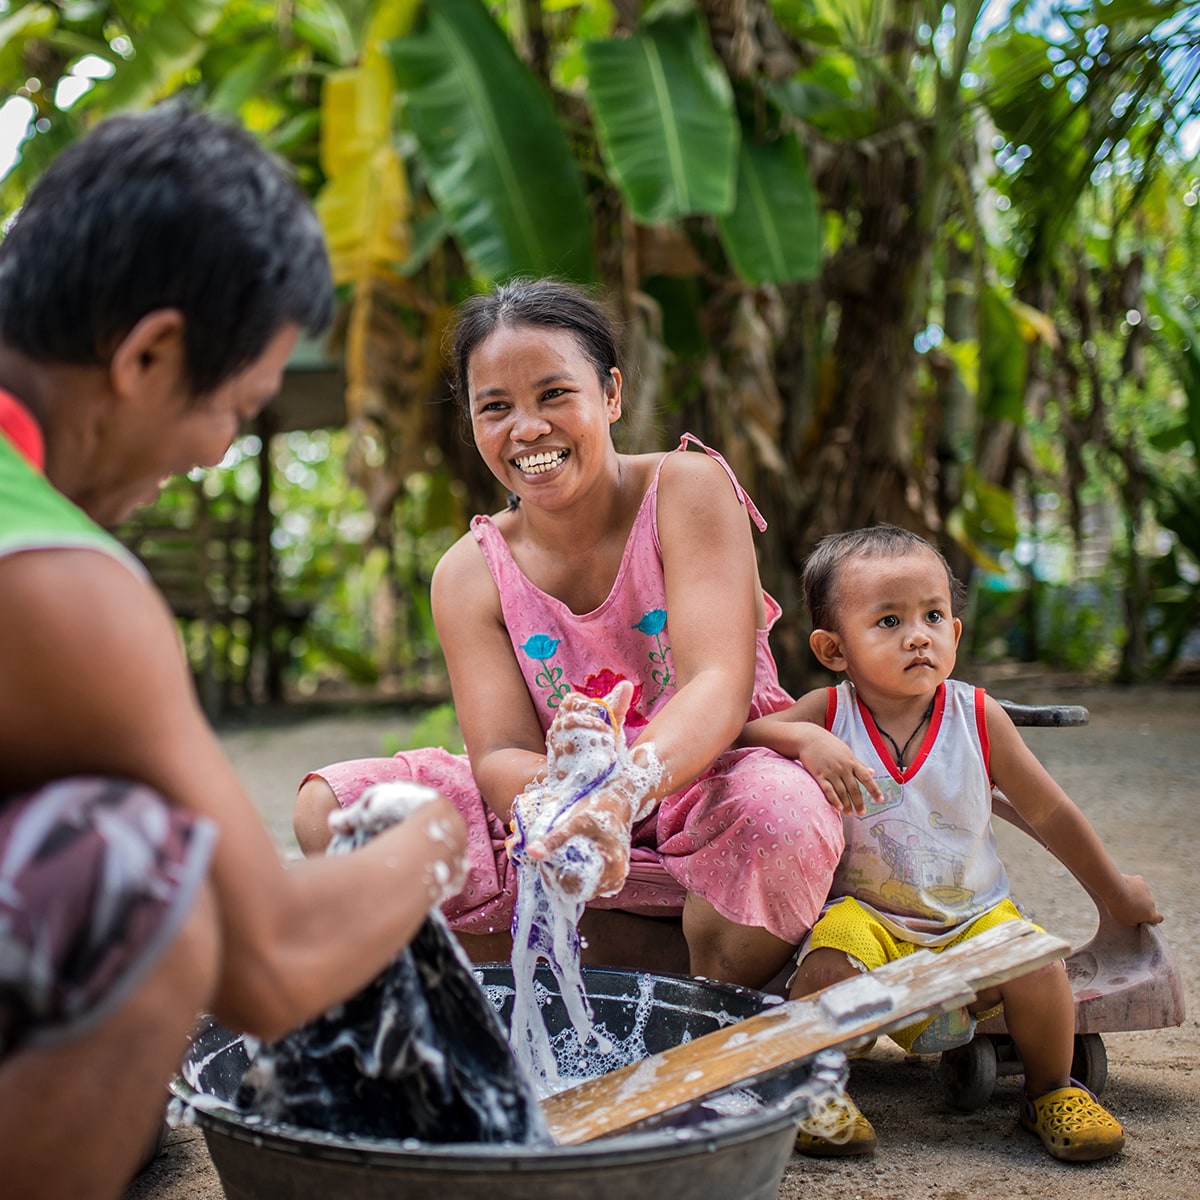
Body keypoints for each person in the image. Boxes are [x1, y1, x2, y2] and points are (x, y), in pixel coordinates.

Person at [0, 106, 467, 1200]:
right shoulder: (55, 582)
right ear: (150, 353)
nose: (216, 452)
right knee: (151, 873)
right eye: (237, 408)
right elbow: (270, 964)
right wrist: (440, 834)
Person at [294, 278, 844, 989]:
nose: (526, 429)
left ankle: (691, 975)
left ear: (611, 394)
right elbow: (500, 754)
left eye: (555, 395)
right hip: (563, 803)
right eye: (496, 407)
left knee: (780, 815)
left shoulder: (687, 488)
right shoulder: (468, 572)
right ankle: (661, 963)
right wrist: (568, 809)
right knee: (336, 814)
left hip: (709, 780)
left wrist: (626, 790)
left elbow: (719, 683)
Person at [741, 523, 1162, 1161]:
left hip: (971, 914)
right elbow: (741, 734)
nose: (918, 635)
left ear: (955, 635)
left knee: (1040, 965)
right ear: (834, 649)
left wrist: (1115, 893)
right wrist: (801, 739)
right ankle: (816, 1085)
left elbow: (1050, 812)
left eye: (934, 615)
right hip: (869, 918)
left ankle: (1052, 1091)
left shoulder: (977, 716)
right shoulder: (829, 713)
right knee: (824, 968)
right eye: (888, 621)